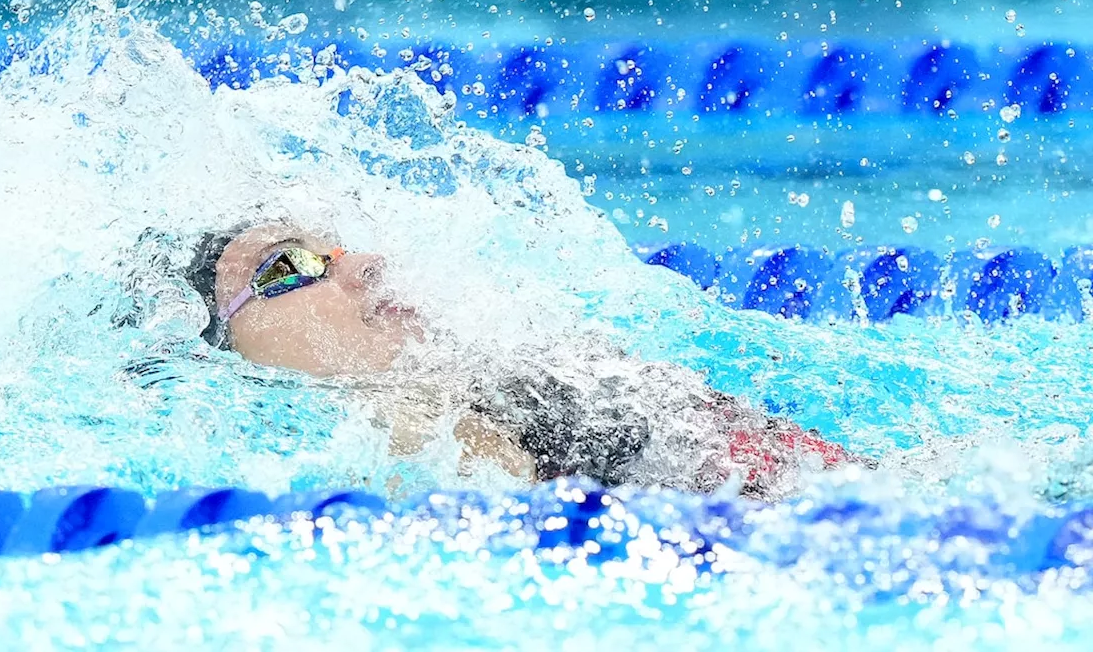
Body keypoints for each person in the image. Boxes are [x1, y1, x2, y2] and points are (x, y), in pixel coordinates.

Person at [122, 217, 865, 499]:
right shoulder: (393, 414)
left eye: (343, 245)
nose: (368, 262)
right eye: (293, 263)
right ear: (219, 351)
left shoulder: (466, 384)